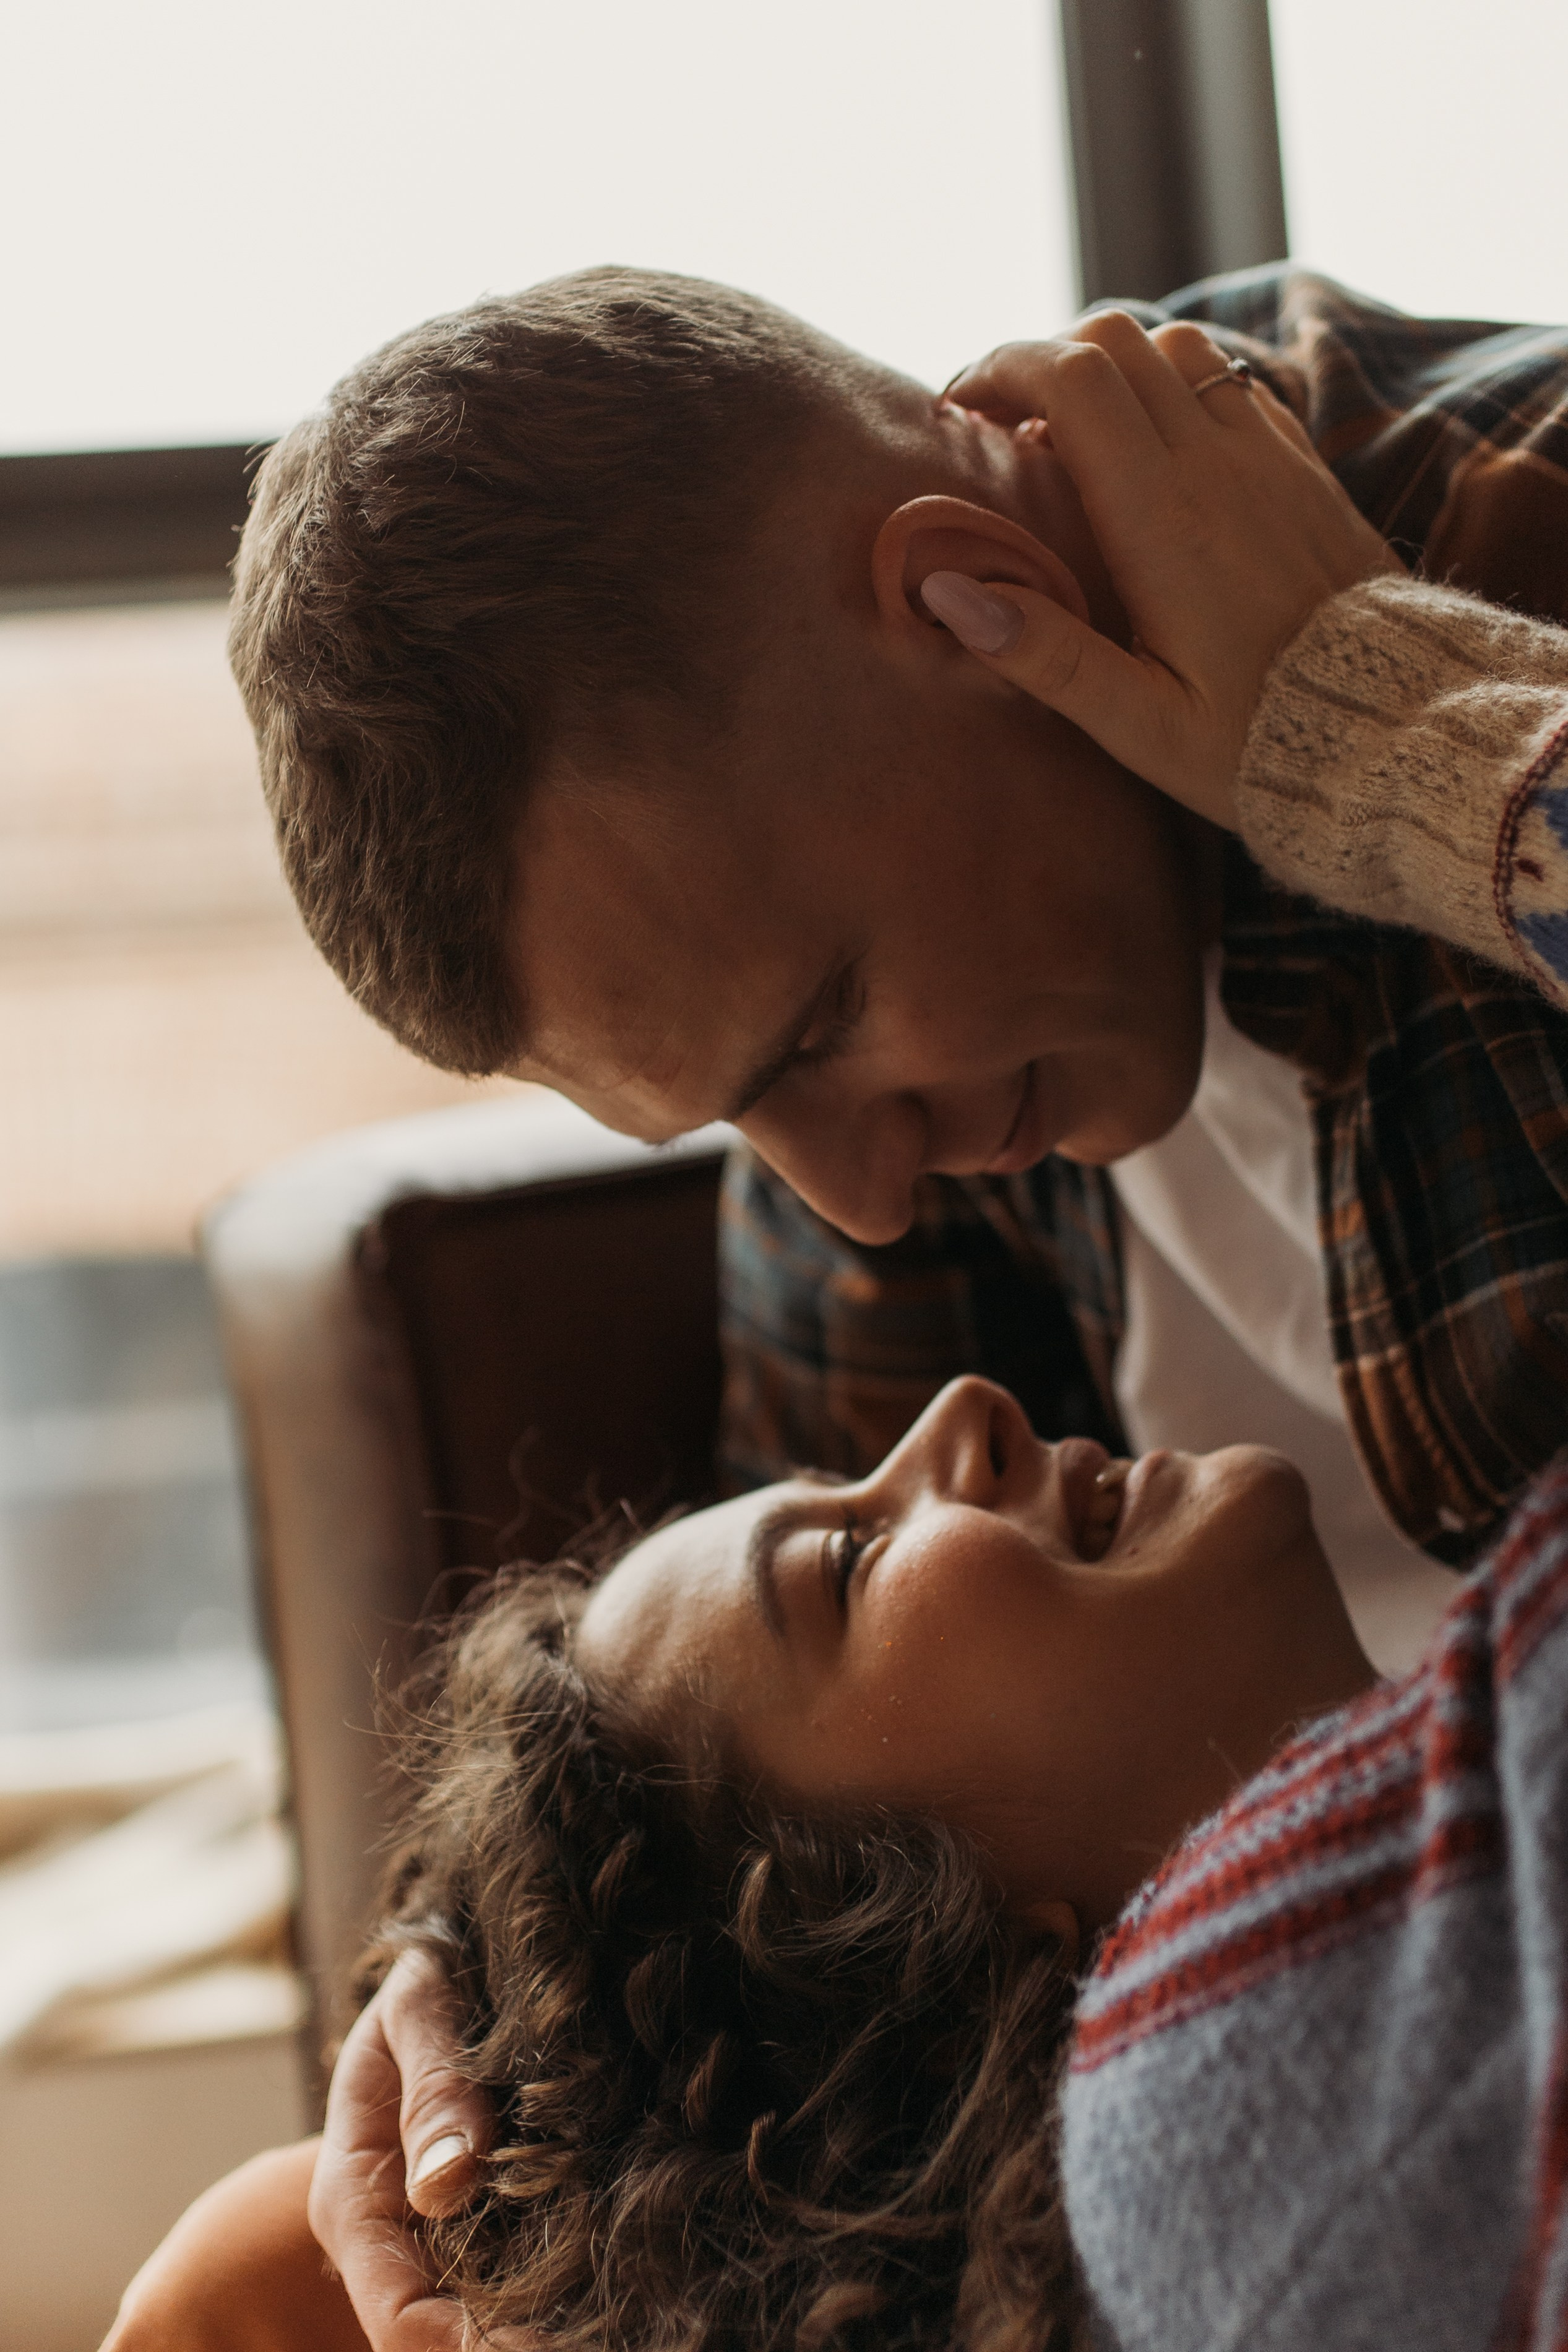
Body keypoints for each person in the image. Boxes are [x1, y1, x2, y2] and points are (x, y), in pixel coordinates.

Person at [215, 262, 1568, 2334]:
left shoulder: (1515, 514)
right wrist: (478, 1963)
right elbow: (758, 1727)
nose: (846, 1187)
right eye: (744, 1120)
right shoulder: (917, 1119)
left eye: (820, 1026)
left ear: (964, 595)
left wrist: (1394, 728)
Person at [106, 1388, 1568, 2349]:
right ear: (945, 1958)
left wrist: (505, 1932)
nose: (964, 1406)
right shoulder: (1249, 2183)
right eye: (848, 1564)